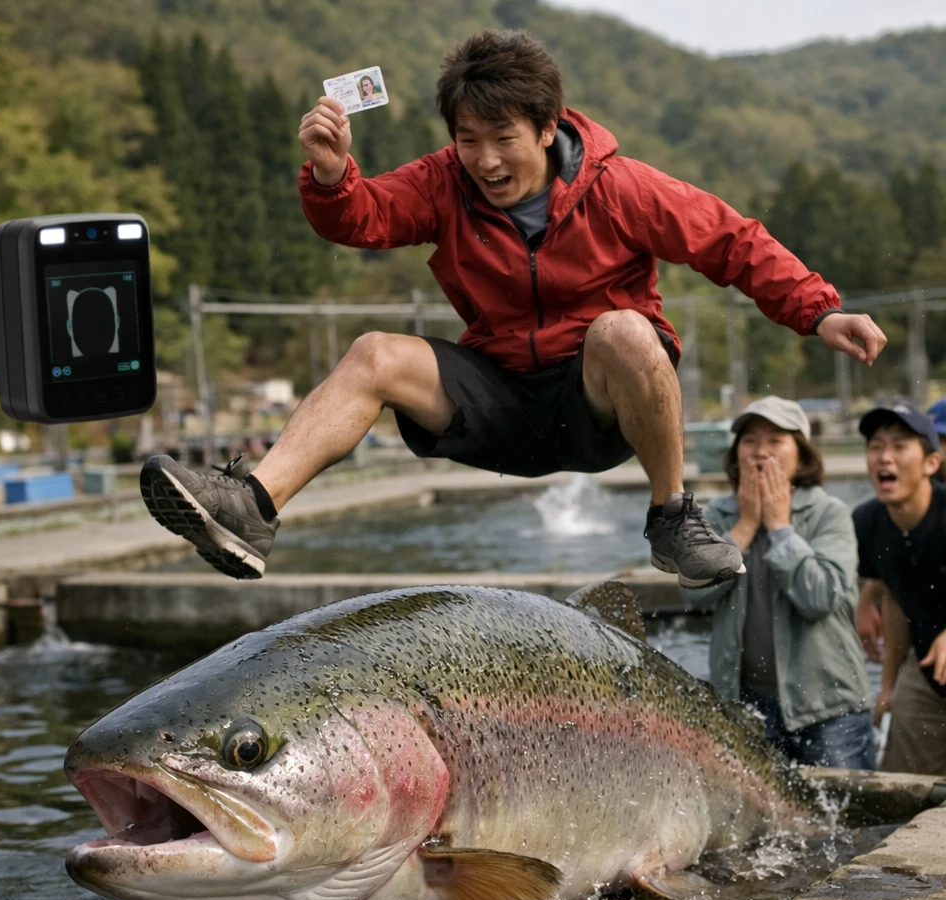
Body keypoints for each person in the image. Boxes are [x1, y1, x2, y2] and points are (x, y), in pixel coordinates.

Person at [140, 30, 887, 585]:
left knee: (626, 329)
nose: (486, 161)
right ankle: (251, 510)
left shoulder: (620, 186)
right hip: (499, 398)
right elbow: (363, 218)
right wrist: (332, 175)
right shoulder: (443, 183)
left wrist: (820, 311)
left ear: (547, 124)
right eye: (468, 140)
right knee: (373, 352)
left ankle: (673, 518)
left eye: (503, 140)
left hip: (594, 406)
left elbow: (732, 241)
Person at [680, 397, 875, 768]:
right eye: (750, 440)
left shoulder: (828, 514)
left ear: (801, 457)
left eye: (775, 441)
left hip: (829, 707)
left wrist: (780, 527)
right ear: (735, 454)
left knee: (843, 822)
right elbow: (692, 592)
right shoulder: (716, 515)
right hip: (745, 706)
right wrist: (745, 527)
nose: (761, 452)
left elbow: (819, 596)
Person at [852, 403, 946, 775]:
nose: (884, 457)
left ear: (931, 464)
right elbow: (893, 599)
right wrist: (887, 686)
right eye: (876, 446)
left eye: (900, 445)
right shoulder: (868, 521)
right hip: (926, 669)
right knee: (902, 785)